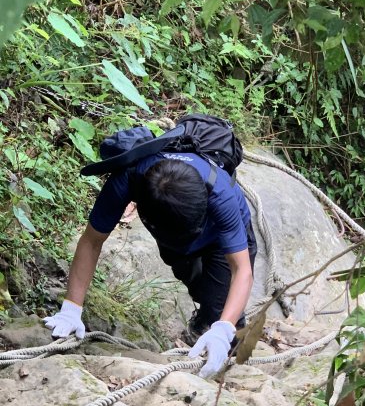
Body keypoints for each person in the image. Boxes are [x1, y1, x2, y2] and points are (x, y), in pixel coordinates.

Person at [43, 149, 257, 378]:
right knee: (198, 286)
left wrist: (223, 329)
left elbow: (241, 269)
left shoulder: (221, 196)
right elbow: (91, 241)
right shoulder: (128, 179)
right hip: (173, 238)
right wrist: (71, 309)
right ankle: (206, 317)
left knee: (219, 304)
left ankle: (233, 357)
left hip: (218, 238)